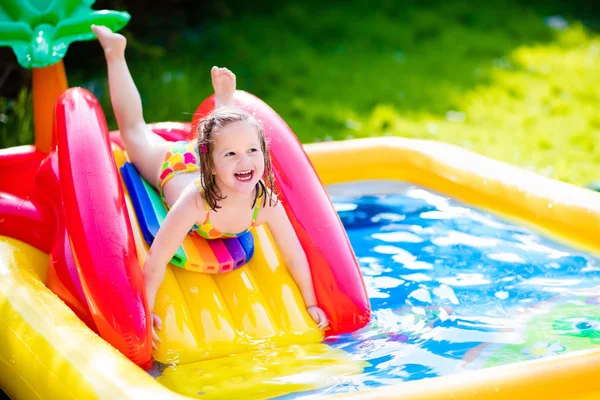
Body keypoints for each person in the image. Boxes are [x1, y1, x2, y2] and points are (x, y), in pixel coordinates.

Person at [91, 25, 329, 349]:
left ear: (264, 152)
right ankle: (115, 53)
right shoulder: (196, 201)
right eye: (232, 154)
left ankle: (224, 105)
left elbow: (294, 254)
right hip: (176, 167)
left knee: (227, 143)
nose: (245, 162)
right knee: (134, 131)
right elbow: (157, 258)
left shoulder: (265, 202)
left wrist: (311, 302)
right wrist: (145, 309)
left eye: (253, 152)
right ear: (212, 163)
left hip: (207, 160)